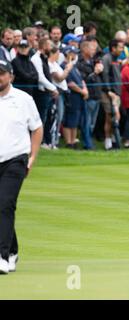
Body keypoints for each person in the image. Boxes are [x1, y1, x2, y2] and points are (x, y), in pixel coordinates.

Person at [0, 59, 43, 274]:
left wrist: (32, 157)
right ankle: (13, 249)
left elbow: (36, 128)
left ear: (11, 77)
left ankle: (2, 256)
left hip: (16, 159)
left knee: (5, 204)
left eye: (2, 73)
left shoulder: (23, 99)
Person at [31, 38, 59, 148]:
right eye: (49, 45)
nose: (51, 48)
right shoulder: (36, 59)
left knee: (46, 118)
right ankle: (38, 142)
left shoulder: (44, 58)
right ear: (43, 47)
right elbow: (40, 77)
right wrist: (53, 88)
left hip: (46, 92)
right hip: (40, 93)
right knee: (40, 118)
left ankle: (43, 141)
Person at [101, 39, 124, 150]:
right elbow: (105, 75)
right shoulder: (106, 58)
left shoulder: (117, 59)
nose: (122, 49)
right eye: (120, 47)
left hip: (116, 93)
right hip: (108, 93)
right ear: (113, 48)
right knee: (109, 116)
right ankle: (108, 141)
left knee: (116, 117)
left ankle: (115, 140)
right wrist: (108, 90)